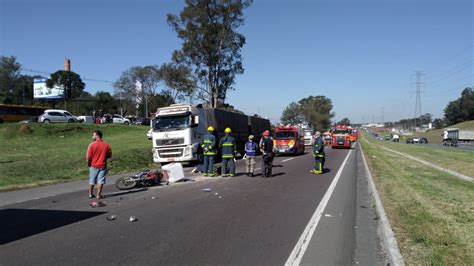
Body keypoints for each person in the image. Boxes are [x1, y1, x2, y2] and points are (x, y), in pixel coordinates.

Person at [86, 130, 112, 199]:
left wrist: (89, 164)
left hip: (94, 165)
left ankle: (90, 194)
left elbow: (88, 157)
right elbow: (110, 155)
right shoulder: (106, 145)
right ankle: (98, 195)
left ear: (97, 136)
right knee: (101, 181)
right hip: (103, 165)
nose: (92, 136)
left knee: (92, 180)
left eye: (93, 135)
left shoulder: (92, 145)